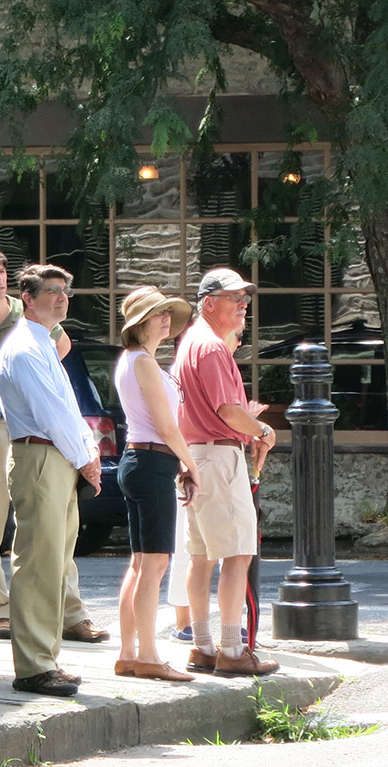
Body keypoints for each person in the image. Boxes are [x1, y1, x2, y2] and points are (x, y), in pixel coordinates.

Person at [0, 245, 108, 644]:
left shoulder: (27, 315)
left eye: (2, 271)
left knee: (55, 527)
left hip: (35, 428)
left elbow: (60, 349)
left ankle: (72, 612)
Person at [0, 264, 101, 697]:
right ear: (28, 299)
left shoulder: (43, 343)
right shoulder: (24, 348)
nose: (61, 298)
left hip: (55, 456)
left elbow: (68, 408)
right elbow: (50, 413)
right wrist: (86, 460)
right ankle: (34, 666)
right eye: (52, 291)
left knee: (56, 562)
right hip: (39, 454)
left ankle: (46, 658)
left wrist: (87, 453)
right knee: (38, 563)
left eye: (65, 291)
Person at [171, 267, 279, 677]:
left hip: (195, 456)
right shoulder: (213, 348)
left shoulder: (189, 343)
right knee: (237, 554)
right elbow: (228, 412)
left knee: (201, 557)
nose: (243, 305)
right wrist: (263, 430)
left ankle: (202, 646)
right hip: (218, 457)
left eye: (244, 299)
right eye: (235, 298)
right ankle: (232, 650)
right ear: (209, 303)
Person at [111, 287, 198, 682]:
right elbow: (166, 426)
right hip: (151, 460)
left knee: (141, 563)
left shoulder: (135, 360)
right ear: (139, 322)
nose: (166, 319)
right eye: (158, 313)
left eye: (168, 313)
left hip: (139, 460)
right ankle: (147, 655)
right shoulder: (142, 362)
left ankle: (130, 653)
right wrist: (191, 462)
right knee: (155, 564)